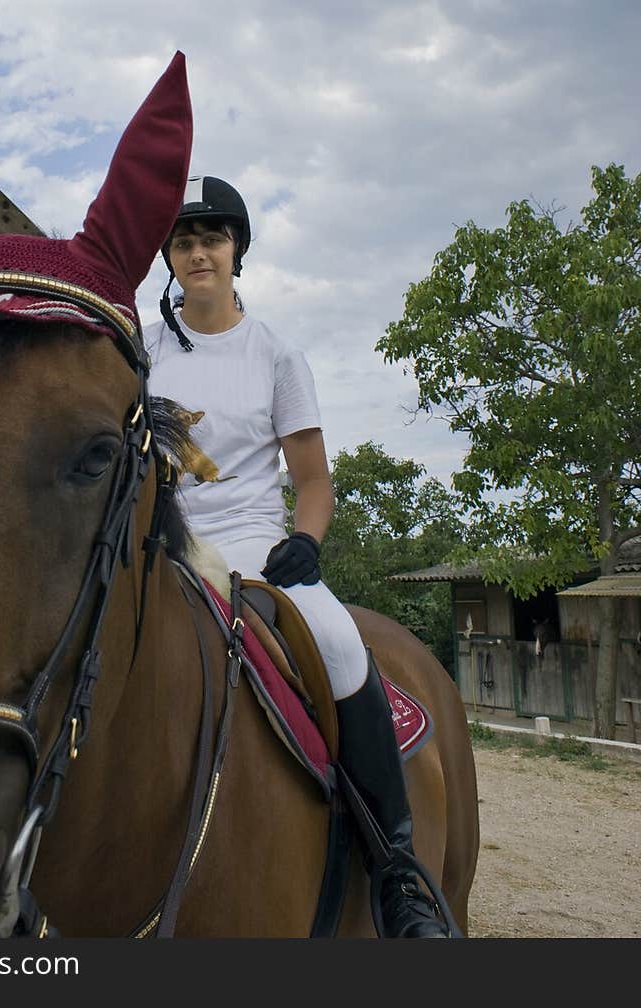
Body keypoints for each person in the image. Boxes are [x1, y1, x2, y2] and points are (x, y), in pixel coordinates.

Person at [146, 176, 449, 939]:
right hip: (156, 540)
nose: (198, 252)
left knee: (343, 643)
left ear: (237, 249)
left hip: (250, 545)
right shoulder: (140, 346)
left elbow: (313, 483)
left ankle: (398, 871)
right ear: (170, 257)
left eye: (212, 237)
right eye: (184, 241)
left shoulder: (277, 354)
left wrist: (305, 543)